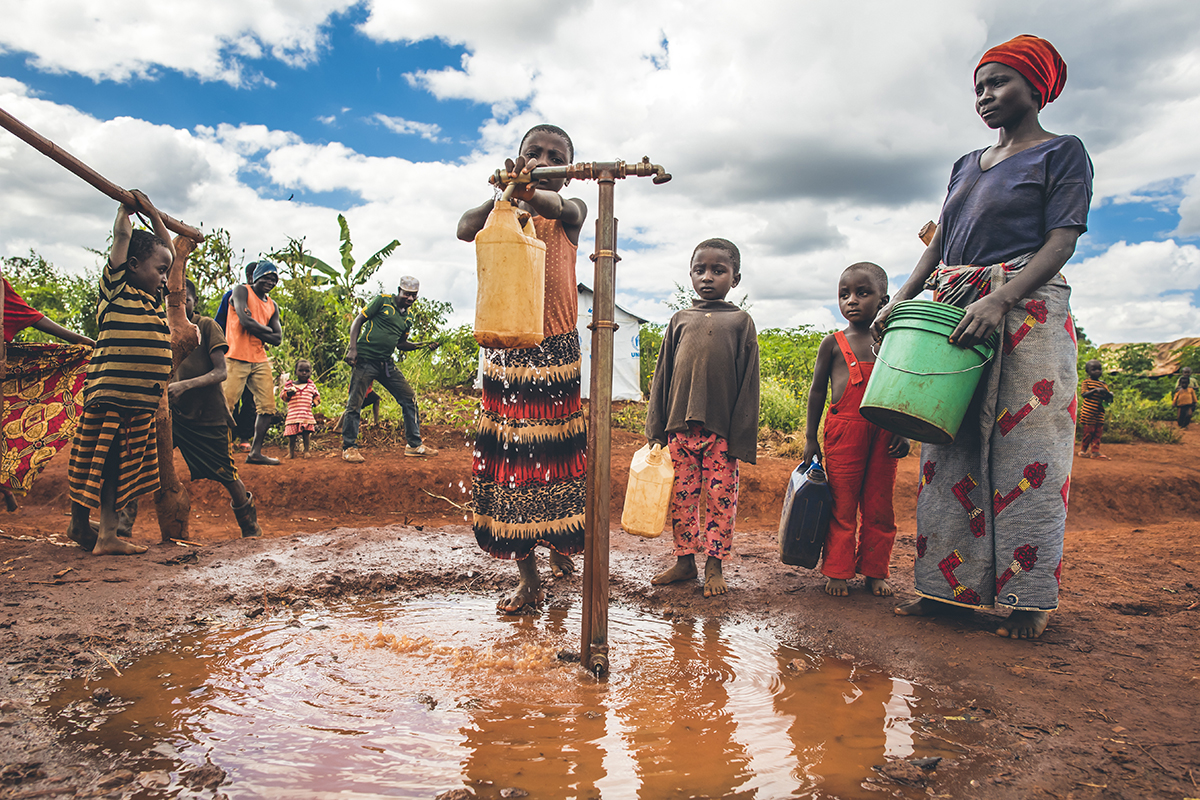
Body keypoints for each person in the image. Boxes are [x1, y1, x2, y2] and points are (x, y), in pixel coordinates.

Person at [878, 35, 1092, 639]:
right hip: (954, 307)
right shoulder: (966, 165)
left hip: (1027, 311)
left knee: (1031, 455)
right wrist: (903, 298)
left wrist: (1004, 297)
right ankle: (947, 591)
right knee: (947, 448)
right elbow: (940, 245)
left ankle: (1028, 600)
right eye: (979, 87)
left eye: (999, 82)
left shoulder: (1062, 153)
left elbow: (1062, 240)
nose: (986, 96)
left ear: (1036, 87)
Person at [457, 123, 588, 612]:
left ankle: (559, 544)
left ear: (570, 173)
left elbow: (554, 206)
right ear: (515, 160)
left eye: (555, 156)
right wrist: (506, 193)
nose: (542, 160)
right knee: (512, 466)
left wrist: (530, 189)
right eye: (532, 153)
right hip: (506, 355)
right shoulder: (502, 213)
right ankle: (528, 575)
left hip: (555, 358)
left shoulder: (571, 212)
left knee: (555, 462)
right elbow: (463, 228)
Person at [645, 238, 761, 598]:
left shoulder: (741, 322)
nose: (707, 277)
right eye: (700, 270)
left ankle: (714, 565)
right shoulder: (679, 320)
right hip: (680, 428)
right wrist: (656, 428)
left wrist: (741, 438)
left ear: (735, 278)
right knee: (681, 498)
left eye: (718, 270)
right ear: (690, 275)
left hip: (721, 432)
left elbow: (748, 383)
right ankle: (685, 561)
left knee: (720, 498)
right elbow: (663, 374)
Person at [66, 191, 179, 555]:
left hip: (136, 405)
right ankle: (106, 537)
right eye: (158, 271)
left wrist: (152, 212)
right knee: (101, 464)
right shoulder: (116, 290)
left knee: (109, 464)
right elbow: (121, 238)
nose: (164, 278)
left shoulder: (153, 301)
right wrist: (126, 211)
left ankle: (81, 526)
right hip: (111, 398)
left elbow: (171, 254)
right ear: (131, 265)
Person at [805, 262, 910, 597]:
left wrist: (903, 430)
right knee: (841, 502)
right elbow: (817, 391)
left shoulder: (894, 342)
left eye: (863, 293)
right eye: (844, 294)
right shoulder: (832, 343)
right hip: (843, 432)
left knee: (880, 505)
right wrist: (810, 438)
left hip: (885, 431)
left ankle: (875, 570)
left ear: (884, 300)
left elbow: (904, 386)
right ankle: (837, 569)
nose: (852, 301)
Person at [166, 279, 262, 537]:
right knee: (146, 462)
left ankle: (249, 526)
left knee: (226, 474)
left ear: (194, 302)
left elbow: (220, 372)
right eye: (172, 301)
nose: (177, 305)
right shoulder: (161, 329)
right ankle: (122, 526)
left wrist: (184, 386)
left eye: (184, 300)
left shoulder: (206, 326)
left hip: (208, 415)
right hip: (173, 417)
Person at [341, 276, 439, 463]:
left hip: (385, 364)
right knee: (355, 404)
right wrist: (352, 349)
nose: (409, 299)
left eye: (413, 296)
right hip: (365, 360)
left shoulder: (408, 317)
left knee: (408, 397)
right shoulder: (383, 301)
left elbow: (401, 344)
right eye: (406, 295)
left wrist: (422, 345)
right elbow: (358, 321)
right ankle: (349, 447)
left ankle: (414, 445)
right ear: (399, 291)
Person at [224, 260, 283, 465]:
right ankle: (221, 452)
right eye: (266, 277)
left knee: (267, 407)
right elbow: (243, 319)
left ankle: (255, 452)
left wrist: (255, 326)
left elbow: (278, 339)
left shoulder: (272, 305)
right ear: (256, 276)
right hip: (235, 356)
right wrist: (265, 330)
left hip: (259, 359)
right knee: (226, 405)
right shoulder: (241, 291)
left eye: (274, 279)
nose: (270, 281)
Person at [281, 358, 320, 459]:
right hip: (293, 415)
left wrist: (314, 403)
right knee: (292, 436)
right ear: (295, 371)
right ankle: (291, 452)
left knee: (306, 434)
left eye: (307, 371)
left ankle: (306, 451)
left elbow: (317, 397)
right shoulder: (289, 385)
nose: (304, 373)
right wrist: (288, 393)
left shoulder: (311, 386)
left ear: (311, 372)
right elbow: (283, 397)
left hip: (306, 415)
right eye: (301, 371)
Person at [1077, 358, 1113, 459]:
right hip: (1088, 412)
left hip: (1099, 413)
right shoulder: (1086, 382)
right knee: (1088, 432)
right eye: (1094, 369)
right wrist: (1095, 390)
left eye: (1099, 369)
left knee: (1098, 432)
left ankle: (1095, 451)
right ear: (1088, 371)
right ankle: (1083, 450)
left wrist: (1108, 394)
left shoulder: (1103, 384)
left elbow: (1108, 397)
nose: (1097, 371)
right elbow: (1084, 394)